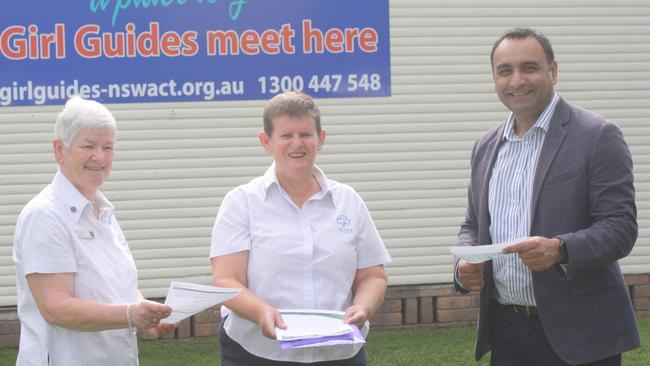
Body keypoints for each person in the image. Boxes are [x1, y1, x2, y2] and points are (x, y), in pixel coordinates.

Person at [454, 28, 640, 365]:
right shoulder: (485, 146)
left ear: (552, 71)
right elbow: (472, 224)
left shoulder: (597, 136)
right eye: (505, 71)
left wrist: (561, 249)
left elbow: (620, 228)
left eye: (529, 67)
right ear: (494, 78)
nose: (517, 80)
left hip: (581, 332)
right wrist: (463, 264)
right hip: (507, 330)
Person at [210, 91, 391, 365]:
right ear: (266, 142)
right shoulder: (241, 203)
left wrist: (363, 307)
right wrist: (260, 311)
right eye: (286, 136)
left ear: (321, 138)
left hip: (339, 352)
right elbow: (226, 280)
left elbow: (373, 275)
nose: (297, 144)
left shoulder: (348, 201)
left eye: (306, 134)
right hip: (258, 352)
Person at [13, 96, 174, 366]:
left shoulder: (102, 211)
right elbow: (56, 308)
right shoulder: (45, 215)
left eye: (108, 147)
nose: (99, 157)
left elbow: (116, 287)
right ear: (59, 150)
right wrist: (131, 315)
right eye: (88, 146)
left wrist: (146, 311)